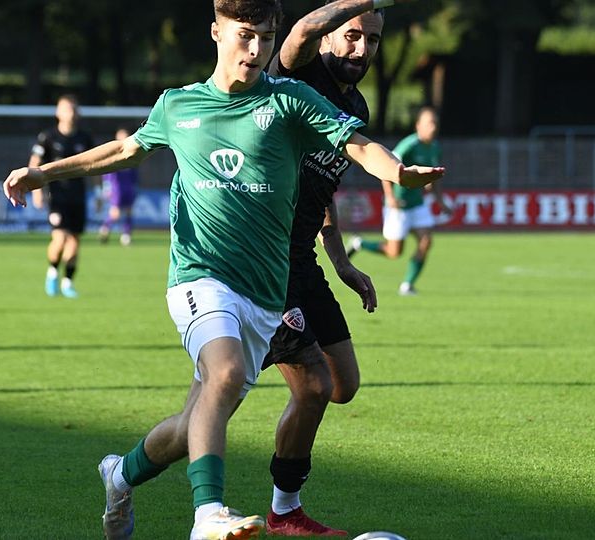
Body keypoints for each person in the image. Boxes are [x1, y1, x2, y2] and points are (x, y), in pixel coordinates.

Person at [1, 1, 444, 539]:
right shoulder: (179, 106)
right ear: (216, 32)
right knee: (231, 375)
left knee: (196, 422)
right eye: (244, 36)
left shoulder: (289, 101)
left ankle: (120, 475)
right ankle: (209, 516)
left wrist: (396, 171)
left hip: (266, 288)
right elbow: (123, 151)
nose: (256, 50)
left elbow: (355, 145)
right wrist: (41, 174)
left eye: (264, 37)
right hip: (200, 276)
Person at [261, 0, 410, 535]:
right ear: (328, 36)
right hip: (264, 258)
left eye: (371, 39)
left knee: (343, 383)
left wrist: (342, 260)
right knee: (313, 389)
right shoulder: (298, 76)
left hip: (303, 257)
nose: (360, 48)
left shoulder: (356, 106)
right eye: (351, 35)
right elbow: (298, 31)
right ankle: (284, 511)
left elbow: (326, 188)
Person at [348, 105, 451, 295]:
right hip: (399, 206)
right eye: (429, 123)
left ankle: (408, 285)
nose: (433, 127)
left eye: (435, 123)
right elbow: (386, 169)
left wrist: (440, 201)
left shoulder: (435, 147)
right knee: (394, 252)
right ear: (418, 126)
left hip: (417, 204)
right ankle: (360, 243)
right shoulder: (408, 145)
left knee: (426, 241)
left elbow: (434, 178)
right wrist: (391, 197)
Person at [29, 94, 96, 298]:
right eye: (67, 109)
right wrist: (36, 190)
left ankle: (67, 282)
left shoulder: (84, 138)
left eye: (74, 109)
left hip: (78, 197)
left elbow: (96, 164)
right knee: (59, 238)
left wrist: (101, 193)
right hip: (57, 197)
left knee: (74, 243)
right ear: (58, 113)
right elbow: (35, 164)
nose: (71, 113)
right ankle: (51, 273)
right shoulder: (48, 137)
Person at [98, 127, 139, 247]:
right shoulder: (114, 154)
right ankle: (104, 229)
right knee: (115, 214)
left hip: (129, 187)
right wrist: (107, 187)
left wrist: (135, 185)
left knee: (129, 212)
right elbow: (108, 172)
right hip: (117, 188)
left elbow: (135, 172)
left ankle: (126, 236)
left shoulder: (132, 152)